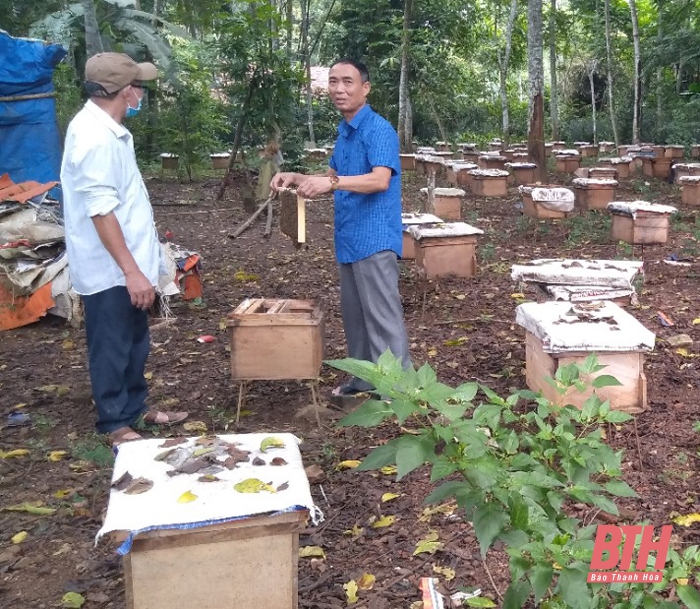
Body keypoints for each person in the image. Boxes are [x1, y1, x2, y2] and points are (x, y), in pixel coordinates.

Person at [61, 52, 188, 446]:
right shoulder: (93, 136)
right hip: (111, 268)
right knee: (112, 344)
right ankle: (114, 423)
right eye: (137, 86)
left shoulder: (111, 129)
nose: (139, 93)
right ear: (124, 91)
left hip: (129, 263)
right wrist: (131, 271)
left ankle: (135, 407)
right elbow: (101, 212)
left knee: (135, 341)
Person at [271, 58, 411, 401]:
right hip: (349, 237)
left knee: (382, 317)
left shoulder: (378, 129)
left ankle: (397, 390)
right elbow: (332, 178)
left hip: (375, 237)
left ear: (365, 88)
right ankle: (364, 379)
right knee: (356, 316)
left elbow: (379, 180)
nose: (339, 89)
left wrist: (329, 184)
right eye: (333, 82)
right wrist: (298, 178)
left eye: (348, 82)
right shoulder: (344, 132)